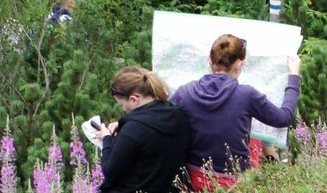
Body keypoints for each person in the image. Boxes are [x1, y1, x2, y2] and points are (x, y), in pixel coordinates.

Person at [170, 34, 301, 191]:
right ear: (239, 64)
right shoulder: (246, 95)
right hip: (235, 185)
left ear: (209, 60)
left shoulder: (185, 93)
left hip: (194, 181)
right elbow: (284, 117)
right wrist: (294, 76)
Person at [96, 66, 189, 193]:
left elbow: (111, 173)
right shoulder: (178, 114)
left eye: (122, 105)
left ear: (134, 98)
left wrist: (106, 139)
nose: (123, 109)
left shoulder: (133, 129)